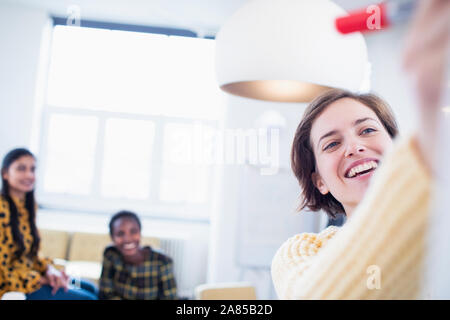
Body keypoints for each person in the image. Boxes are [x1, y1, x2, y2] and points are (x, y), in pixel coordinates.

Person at [271, 0, 449, 299]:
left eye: (367, 129)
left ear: (395, 146)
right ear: (320, 182)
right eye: (332, 143)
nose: (354, 147)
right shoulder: (300, 254)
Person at [0, 148, 98, 300]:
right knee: (87, 298)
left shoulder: (27, 207)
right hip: (14, 284)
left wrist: (50, 270)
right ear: (5, 173)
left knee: (91, 288)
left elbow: (32, 254)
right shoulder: (2, 209)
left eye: (32, 169)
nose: (29, 175)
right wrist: (42, 280)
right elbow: (3, 270)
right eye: (21, 169)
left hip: (33, 276)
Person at [99, 210, 178, 300]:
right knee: (82, 288)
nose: (127, 239)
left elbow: (170, 297)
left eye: (133, 231)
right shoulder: (111, 254)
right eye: (120, 234)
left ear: (140, 233)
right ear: (112, 237)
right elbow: (106, 292)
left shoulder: (162, 262)